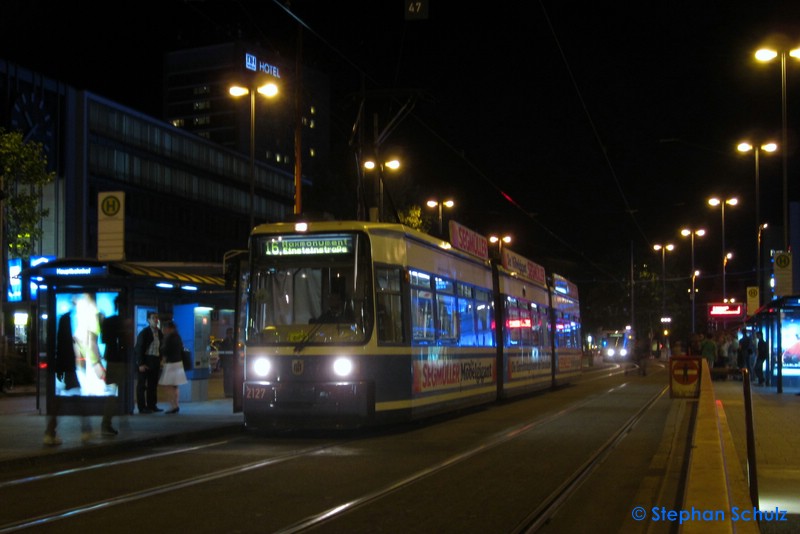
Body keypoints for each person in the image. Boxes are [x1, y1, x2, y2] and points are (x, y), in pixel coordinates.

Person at [100, 296, 129, 436]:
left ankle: (108, 422)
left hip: (111, 359)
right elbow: (127, 341)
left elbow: (104, 339)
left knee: (112, 391)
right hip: (119, 361)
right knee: (113, 393)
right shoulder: (122, 322)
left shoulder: (108, 321)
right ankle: (106, 423)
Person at [134, 311, 163, 413]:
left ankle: (152, 405)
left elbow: (161, 347)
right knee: (142, 385)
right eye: (153, 318)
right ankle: (142, 407)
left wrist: (160, 359)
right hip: (145, 360)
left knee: (153, 384)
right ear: (148, 320)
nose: (155, 320)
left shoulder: (159, 332)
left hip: (155, 360)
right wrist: (140, 363)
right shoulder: (144, 332)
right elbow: (139, 348)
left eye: (156, 318)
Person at [158, 320, 188, 413]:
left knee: (167, 385)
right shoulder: (177, 337)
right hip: (178, 363)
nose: (163, 330)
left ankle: (173, 406)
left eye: (164, 328)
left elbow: (165, 350)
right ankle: (176, 405)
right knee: (174, 386)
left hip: (171, 364)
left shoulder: (169, 338)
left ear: (168, 329)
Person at [219, 327, 235, 398]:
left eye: (231, 333)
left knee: (232, 377)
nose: (230, 335)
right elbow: (221, 354)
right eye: (229, 333)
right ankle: (227, 392)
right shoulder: (224, 343)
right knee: (227, 378)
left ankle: (231, 391)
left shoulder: (234, 342)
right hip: (226, 363)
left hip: (232, 363)